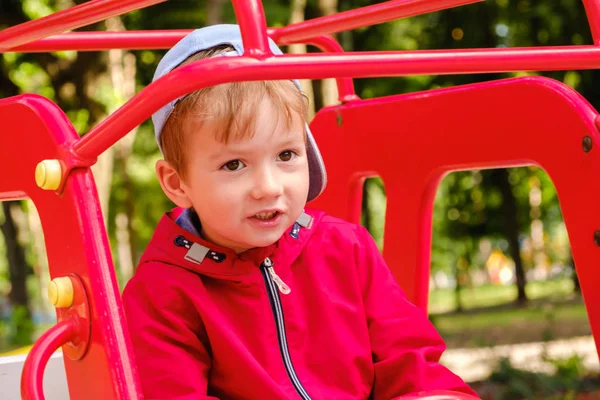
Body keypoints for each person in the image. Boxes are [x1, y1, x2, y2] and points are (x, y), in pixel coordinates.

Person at [122, 24, 478, 400]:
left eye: (286, 155)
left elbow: (411, 363)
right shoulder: (161, 293)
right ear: (177, 183)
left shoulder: (346, 248)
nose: (269, 187)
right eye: (233, 165)